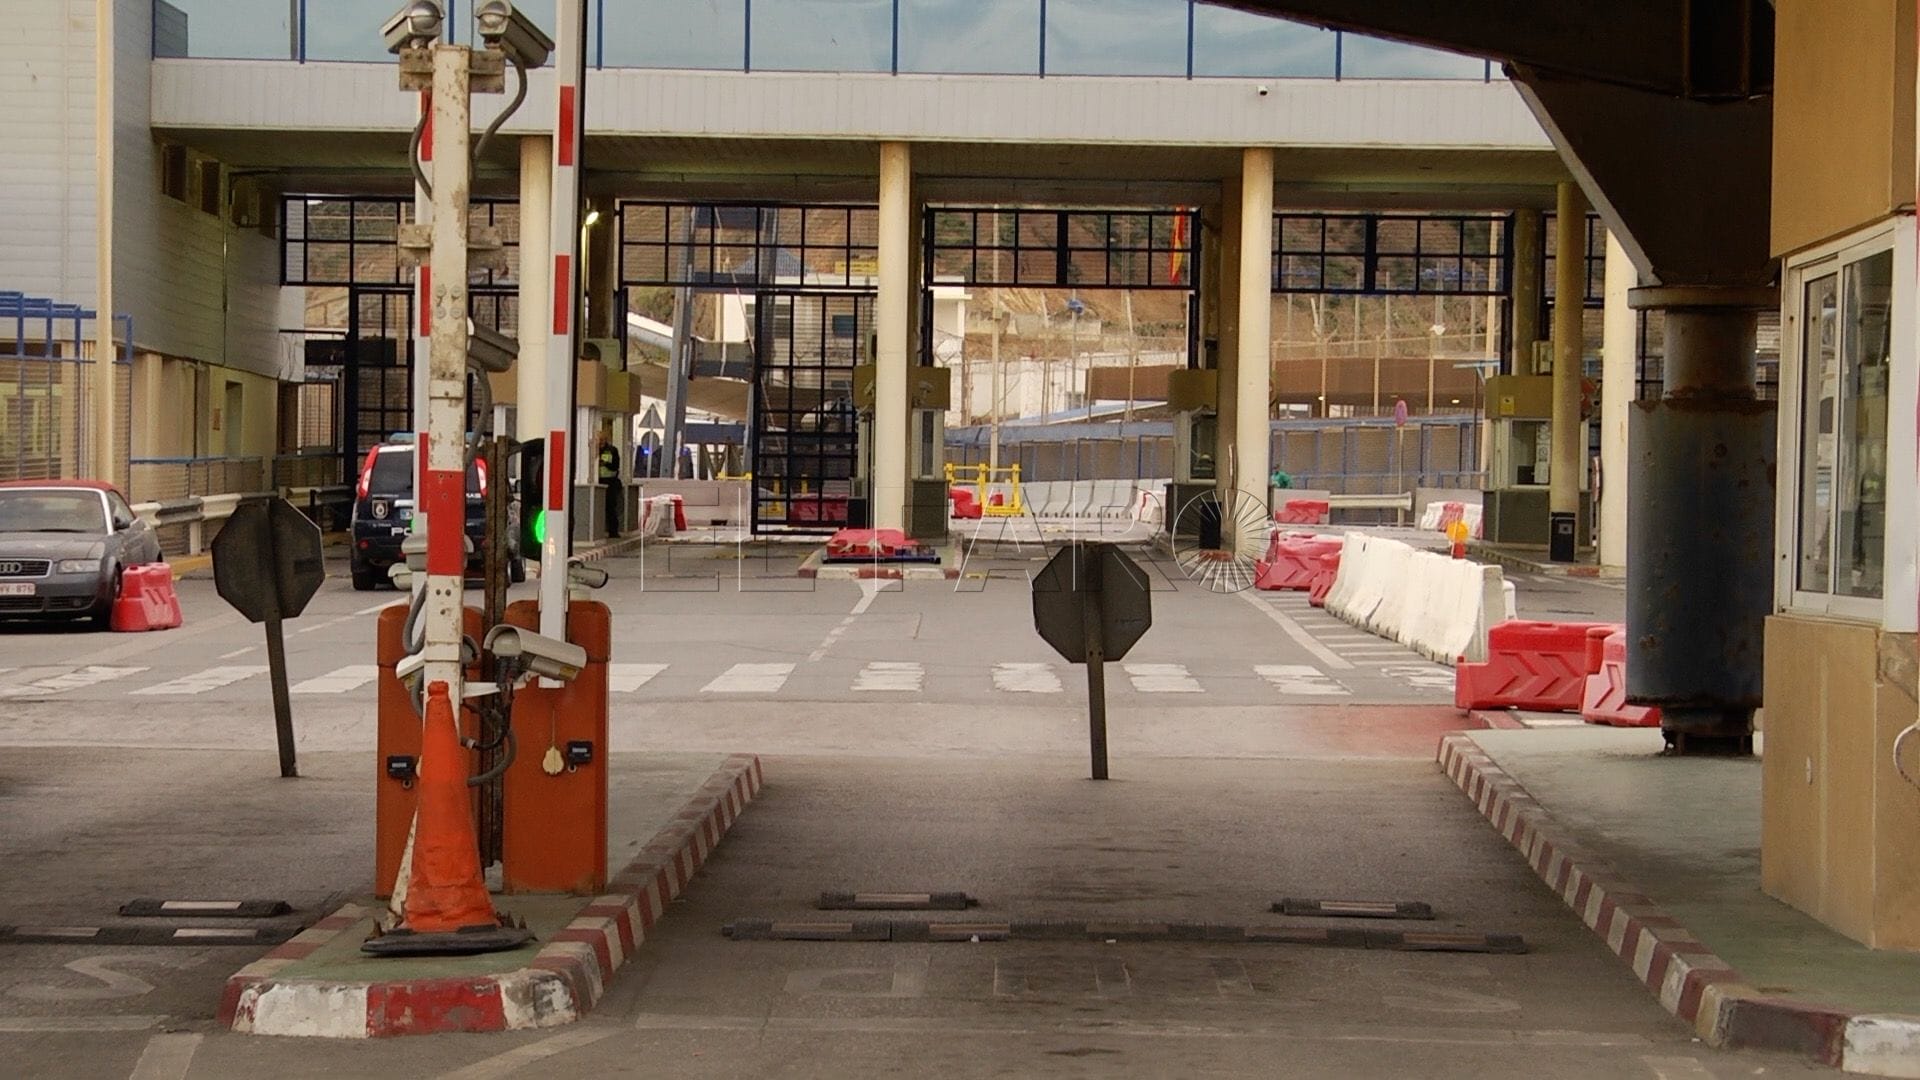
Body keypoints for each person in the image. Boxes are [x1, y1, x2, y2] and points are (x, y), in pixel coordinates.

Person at [597, 429, 623, 538]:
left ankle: (613, 531)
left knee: (611, 507)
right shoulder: (594, 450)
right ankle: (599, 530)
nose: (601, 442)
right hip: (598, 481)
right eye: (599, 439)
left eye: (602, 439)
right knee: (599, 508)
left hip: (610, 482)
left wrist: (605, 463)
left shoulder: (612, 450)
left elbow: (615, 466)